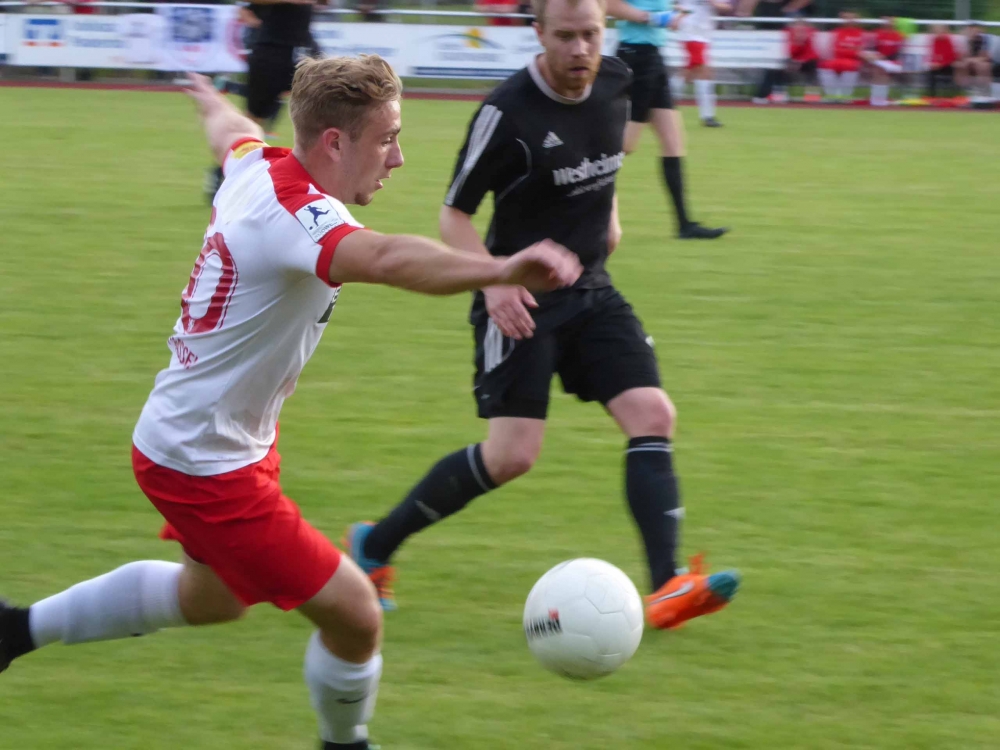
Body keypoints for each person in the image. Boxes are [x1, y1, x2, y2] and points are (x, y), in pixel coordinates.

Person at [0, 58, 582, 750]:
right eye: (387, 139)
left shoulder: (256, 164)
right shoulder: (300, 217)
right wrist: (499, 270)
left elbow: (231, 129)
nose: (398, 158)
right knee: (357, 615)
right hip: (206, 464)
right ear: (334, 142)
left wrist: (208, 100)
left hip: (202, 439)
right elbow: (387, 260)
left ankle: (14, 629)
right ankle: (346, 743)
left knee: (211, 600)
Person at [345, 0, 741, 632]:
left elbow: (605, 160)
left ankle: (668, 586)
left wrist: (609, 220)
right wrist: (496, 282)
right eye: (566, 36)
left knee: (652, 414)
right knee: (512, 456)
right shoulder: (506, 114)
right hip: (521, 301)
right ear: (539, 34)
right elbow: (453, 215)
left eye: (591, 34)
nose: (580, 49)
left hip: (592, 289)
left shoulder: (617, 81)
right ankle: (375, 545)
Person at [605, 0, 729, 238]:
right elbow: (608, 5)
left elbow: (665, 15)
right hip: (635, 59)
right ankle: (571, 181)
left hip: (653, 58)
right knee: (625, 146)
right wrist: (652, 18)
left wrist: (674, 14)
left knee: (674, 144)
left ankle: (685, 225)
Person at [206, 0, 324, 202]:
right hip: (271, 53)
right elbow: (247, 8)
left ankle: (314, 178)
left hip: (302, 52)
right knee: (253, 123)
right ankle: (221, 172)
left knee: (324, 106)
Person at [676, 0, 732, 127]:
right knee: (703, 71)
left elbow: (726, 6)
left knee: (690, 72)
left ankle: (662, 104)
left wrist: (715, 3)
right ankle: (707, 116)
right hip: (690, 32)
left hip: (703, 33)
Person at [753, 14, 819, 104]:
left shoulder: (810, 34)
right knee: (773, 69)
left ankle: (812, 97)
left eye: (802, 25)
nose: (799, 27)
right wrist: (791, 59)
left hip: (806, 62)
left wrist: (798, 60)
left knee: (812, 66)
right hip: (788, 60)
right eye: (796, 25)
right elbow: (784, 50)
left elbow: (811, 53)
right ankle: (766, 95)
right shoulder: (785, 34)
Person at [818, 11, 865, 102]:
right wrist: (852, 50)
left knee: (851, 66)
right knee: (824, 65)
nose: (849, 20)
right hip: (836, 59)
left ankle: (845, 96)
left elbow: (861, 51)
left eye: (852, 18)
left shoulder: (861, 33)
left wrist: (849, 50)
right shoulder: (836, 32)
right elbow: (833, 49)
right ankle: (831, 95)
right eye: (847, 18)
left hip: (852, 61)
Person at [861, 16, 905, 107]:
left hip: (892, 61)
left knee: (882, 70)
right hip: (877, 60)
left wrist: (884, 57)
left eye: (891, 22)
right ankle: (875, 99)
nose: (889, 23)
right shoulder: (877, 33)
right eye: (887, 21)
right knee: (877, 68)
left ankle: (881, 99)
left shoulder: (898, 35)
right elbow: (870, 48)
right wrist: (876, 57)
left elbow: (898, 52)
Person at [954, 22, 994, 102]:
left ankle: (984, 92)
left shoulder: (986, 40)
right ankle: (963, 92)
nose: (974, 32)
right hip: (968, 61)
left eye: (976, 30)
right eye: (971, 30)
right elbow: (961, 56)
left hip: (981, 61)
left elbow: (986, 56)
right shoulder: (964, 40)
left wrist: (974, 60)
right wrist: (968, 59)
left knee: (983, 66)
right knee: (960, 65)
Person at [925, 24, 958, 99]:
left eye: (939, 31)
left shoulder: (947, 41)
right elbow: (934, 54)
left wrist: (941, 64)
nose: (938, 34)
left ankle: (950, 96)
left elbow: (951, 56)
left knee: (949, 72)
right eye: (936, 32)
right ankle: (931, 96)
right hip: (937, 65)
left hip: (947, 65)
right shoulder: (934, 41)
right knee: (931, 74)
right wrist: (934, 63)